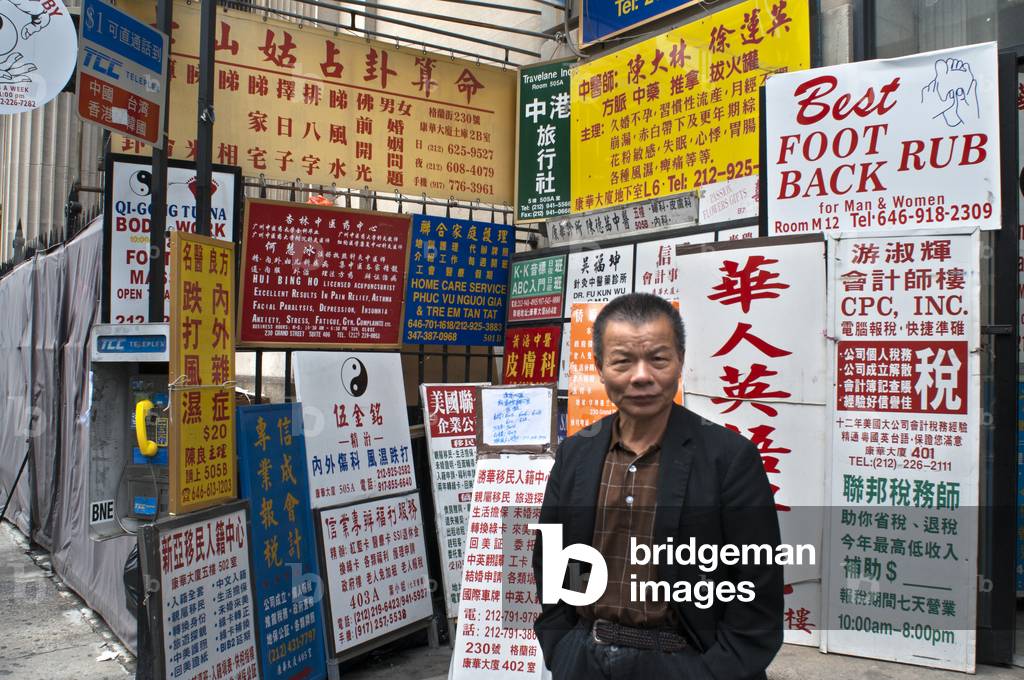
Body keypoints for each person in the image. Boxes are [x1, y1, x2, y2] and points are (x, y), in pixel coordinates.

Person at [533, 292, 783, 679]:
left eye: (658, 358)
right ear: (600, 367)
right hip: (586, 656)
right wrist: (562, 646)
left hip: (685, 660)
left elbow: (756, 587)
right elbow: (553, 561)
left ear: (680, 361)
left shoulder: (729, 458)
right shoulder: (576, 455)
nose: (641, 376)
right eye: (622, 361)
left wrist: (713, 671)